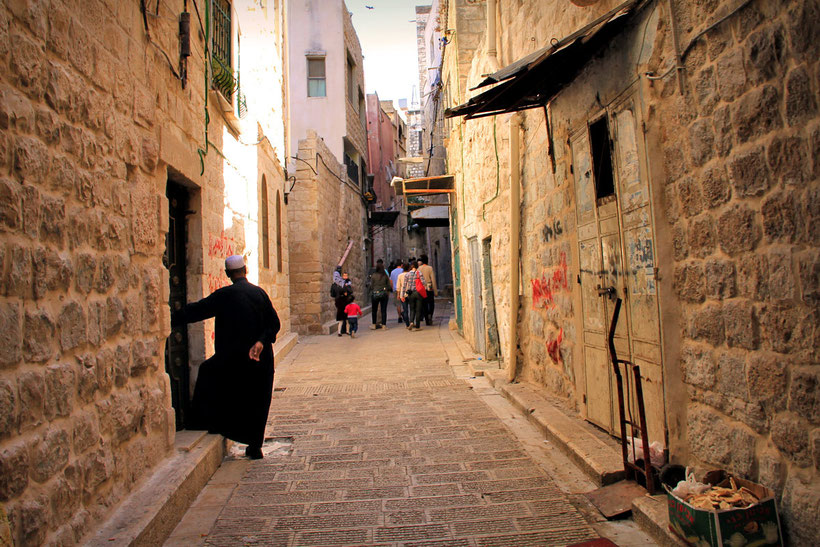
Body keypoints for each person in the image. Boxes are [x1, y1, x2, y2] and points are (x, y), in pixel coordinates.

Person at [172, 255, 280, 460]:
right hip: (261, 360)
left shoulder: (225, 295)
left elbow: (198, 310)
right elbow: (274, 323)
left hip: (234, 360)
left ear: (228, 273)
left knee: (208, 372)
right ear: (245, 270)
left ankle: (208, 423)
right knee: (259, 399)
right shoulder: (259, 293)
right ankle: (255, 446)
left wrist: (172, 317)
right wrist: (261, 341)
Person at [401, 261, 426, 331]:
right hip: (418, 293)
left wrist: (402, 295)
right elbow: (424, 282)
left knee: (412, 309)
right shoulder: (419, 273)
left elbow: (404, 285)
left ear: (411, 266)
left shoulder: (407, 274)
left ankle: (411, 322)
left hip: (410, 293)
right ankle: (417, 326)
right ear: (417, 266)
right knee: (418, 310)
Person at [369, 259, 391, 330]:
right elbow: (389, 286)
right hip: (383, 294)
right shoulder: (385, 276)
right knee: (383, 310)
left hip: (375, 294)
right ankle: (384, 325)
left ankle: (374, 324)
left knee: (374, 310)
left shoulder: (373, 276)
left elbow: (371, 286)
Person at [333, 267, 353, 336]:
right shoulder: (339, 283)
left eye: (346, 276)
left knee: (347, 319)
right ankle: (340, 332)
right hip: (341, 302)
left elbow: (350, 291)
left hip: (345, 302)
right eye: (344, 275)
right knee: (342, 319)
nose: (345, 277)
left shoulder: (348, 283)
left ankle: (347, 331)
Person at [418, 255, 437, 326]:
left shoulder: (419, 269)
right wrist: (435, 291)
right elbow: (433, 280)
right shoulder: (430, 268)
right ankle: (430, 315)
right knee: (431, 303)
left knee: (424, 304)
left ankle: (426, 320)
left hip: (422, 288)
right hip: (429, 287)